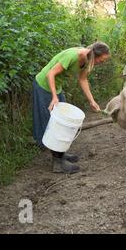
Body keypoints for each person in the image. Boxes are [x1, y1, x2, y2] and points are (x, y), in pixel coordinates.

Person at [32, 41, 110, 174]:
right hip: (44, 86)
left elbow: (83, 79)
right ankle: (57, 163)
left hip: (56, 87)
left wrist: (92, 101)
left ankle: (61, 154)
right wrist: (54, 97)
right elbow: (50, 74)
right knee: (54, 123)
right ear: (95, 55)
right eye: (101, 61)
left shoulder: (87, 60)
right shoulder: (73, 56)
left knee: (63, 123)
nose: (100, 63)